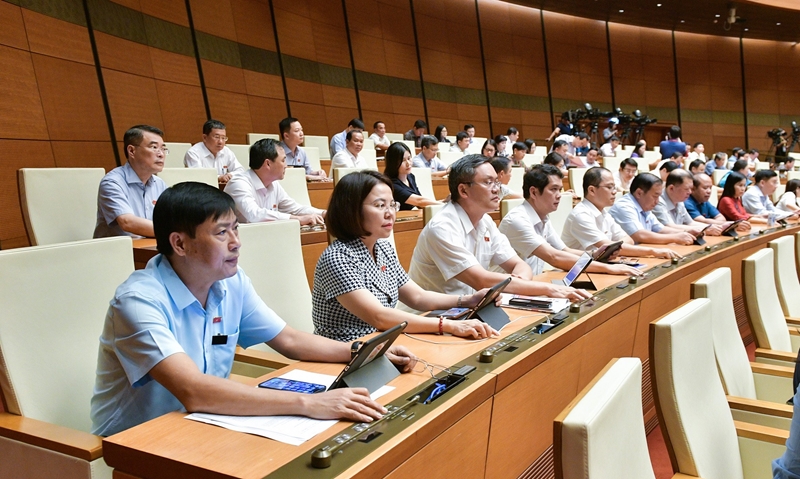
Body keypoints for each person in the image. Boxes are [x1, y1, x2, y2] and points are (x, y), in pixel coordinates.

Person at [90, 182, 417, 437]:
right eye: (222, 232)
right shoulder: (138, 302)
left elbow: (289, 340)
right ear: (180, 243)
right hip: (137, 442)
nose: (236, 242)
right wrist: (309, 403)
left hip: (207, 423)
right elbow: (193, 390)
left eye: (236, 228)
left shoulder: (231, 282)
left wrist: (365, 352)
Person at [311, 170, 496, 342]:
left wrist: (468, 300)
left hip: (382, 342)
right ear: (351, 210)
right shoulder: (337, 258)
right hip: (346, 350)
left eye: (392, 205)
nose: (390, 213)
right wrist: (448, 325)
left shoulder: (383, 249)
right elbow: (379, 316)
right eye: (380, 205)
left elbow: (417, 297)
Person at [408, 155, 591, 301]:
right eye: (488, 182)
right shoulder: (443, 227)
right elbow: (480, 280)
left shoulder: (486, 221)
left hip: (474, 308)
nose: (497, 189)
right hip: (431, 316)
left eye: (497, 182)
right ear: (463, 190)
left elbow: (519, 264)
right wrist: (547, 289)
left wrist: (520, 283)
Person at [499, 165, 641, 276]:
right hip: (508, 291)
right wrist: (608, 268)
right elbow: (554, 257)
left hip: (532, 284)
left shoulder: (543, 218)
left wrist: (594, 255)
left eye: (560, 190)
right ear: (534, 192)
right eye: (553, 189)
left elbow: (564, 250)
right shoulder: (517, 220)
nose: (559, 195)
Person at [561, 167, 679, 259]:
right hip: (575, 271)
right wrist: (653, 251)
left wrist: (614, 246)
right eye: (609, 187)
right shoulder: (581, 215)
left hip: (598, 265)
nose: (614, 192)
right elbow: (606, 248)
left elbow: (629, 240)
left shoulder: (604, 213)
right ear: (592, 190)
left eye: (614, 187)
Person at [224, 139, 325, 225]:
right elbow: (255, 215)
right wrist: (298, 219)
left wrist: (324, 213)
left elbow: (295, 209)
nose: (286, 165)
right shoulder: (238, 183)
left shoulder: (273, 184)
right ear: (268, 164)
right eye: (283, 160)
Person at [94, 125, 168, 238]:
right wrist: (173, 233)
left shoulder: (159, 184)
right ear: (132, 151)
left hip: (150, 244)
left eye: (163, 149)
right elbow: (127, 222)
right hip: (120, 248)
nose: (161, 154)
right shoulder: (112, 182)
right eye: (154, 147)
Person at [608, 173, 697, 245]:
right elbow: (640, 235)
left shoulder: (644, 206)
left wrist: (687, 232)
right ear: (639, 193)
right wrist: (676, 238)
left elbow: (660, 229)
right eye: (655, 196)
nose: (657, 201)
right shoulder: (624, 207)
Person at [653, 169, 721, 236]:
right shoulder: (658, 201)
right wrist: (704, 229)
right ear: (671, 188)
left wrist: (710, 227)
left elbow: (690, 223)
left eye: (691, 188)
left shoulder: (680, 200)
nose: (690, 192)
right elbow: (669, 226)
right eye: (686, 189)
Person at [183, 119, 243, 185]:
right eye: (217, 137)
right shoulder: (193, 153)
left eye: (223, 138)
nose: (220, 142)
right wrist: (219, 177)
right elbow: (198, 176)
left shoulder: (226, 151)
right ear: (205, 138)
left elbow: (240, 170)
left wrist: (230, 175)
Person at [384, 142, 441, 211]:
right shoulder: (391, 184)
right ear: (393, 163)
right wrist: (443, 205)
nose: (408, 163)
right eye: (403, 160)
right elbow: (419, 201)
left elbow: (420, 201)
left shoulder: (410, 177)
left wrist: (443, 202)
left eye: (409, 158)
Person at [279, 117, 328, 181]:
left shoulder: (302, 151)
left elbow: (308, 171)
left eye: (301, 130)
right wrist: (308, 177)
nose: (301, 134)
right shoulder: (277, 151)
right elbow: (283, 174)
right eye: (297, 131)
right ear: (286, 136)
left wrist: (317, 173)